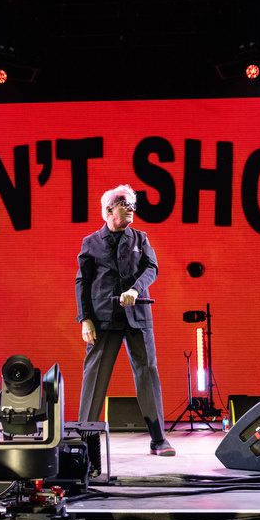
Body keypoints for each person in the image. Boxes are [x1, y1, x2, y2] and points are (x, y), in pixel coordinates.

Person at [76, 184, 174, 456]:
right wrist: (85, 319)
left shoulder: (140, 239)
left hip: (137, 317)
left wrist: (134, 290)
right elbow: (82, 282)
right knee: (94, 377)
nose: (131, 209)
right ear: (108, 210)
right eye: (124, 204)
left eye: (133, 205)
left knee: (148, 375)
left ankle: (158, 439)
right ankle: (86, 441)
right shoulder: (91, 242)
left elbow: (151, 268)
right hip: (102, 319)